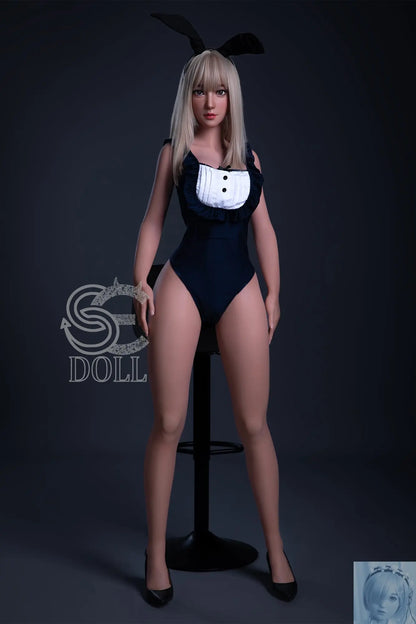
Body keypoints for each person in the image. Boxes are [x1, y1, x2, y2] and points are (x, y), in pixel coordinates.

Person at [132, 13, 297, 607]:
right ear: (189, 95)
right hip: (183, 280)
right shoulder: (173, 153)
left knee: (255, 424)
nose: (209, 102)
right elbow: (152, 222)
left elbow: (265, 230)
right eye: (200, 91)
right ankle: (156, 553)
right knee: (168, 422)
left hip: (239, 285)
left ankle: (276, 548)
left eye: (219, 91)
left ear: (232, 97)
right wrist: (140, 283)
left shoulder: (249, 158)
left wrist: (274, 292)